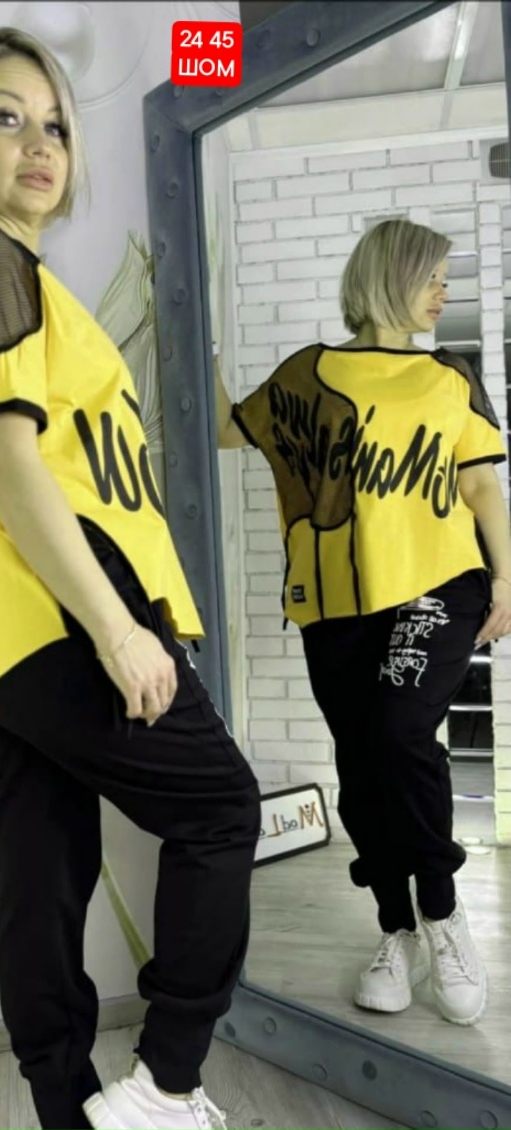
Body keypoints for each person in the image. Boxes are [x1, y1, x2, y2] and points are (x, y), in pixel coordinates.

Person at [0, 26, 261, 1130]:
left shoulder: (19, 279)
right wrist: (116, 626)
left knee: (42, 868)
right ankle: (165, 1083)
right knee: (220, 809)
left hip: (4, 631)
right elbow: (7, 460)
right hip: (62, 607)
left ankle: (71, 1110)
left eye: (56, 125)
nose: (39, 144)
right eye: (6, 117)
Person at [216, 218, 511, 1027]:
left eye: (445, 279)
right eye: (431, 277)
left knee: (401, 733)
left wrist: (507, 576)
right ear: (389, 277)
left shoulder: (450, 377)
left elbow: (481, 486)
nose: (442, 293)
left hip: (439, 584)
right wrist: (198, 332)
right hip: (336, 597)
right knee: (361, 759)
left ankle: (441, 913)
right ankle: (396, 930)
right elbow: (224, 427)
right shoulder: (306, 375)